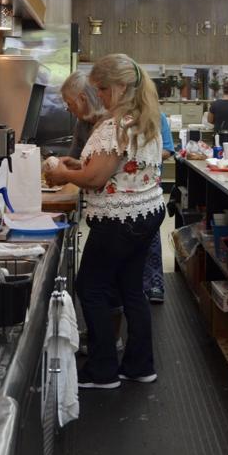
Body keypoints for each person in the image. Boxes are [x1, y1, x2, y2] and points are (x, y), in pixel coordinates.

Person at [44, 53, 165, 389]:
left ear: (121, 87)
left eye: (102, 89)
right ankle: (140, 366)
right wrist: (76, 165)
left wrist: (61, 173)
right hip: (146, 214)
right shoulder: (146, 120)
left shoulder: (115, 125)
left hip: (118, 220)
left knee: (91, 288)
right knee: (131, 290)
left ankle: (102, 371)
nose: (99, 96)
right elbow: (114, 168)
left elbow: (97, 179)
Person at [142, 113, 174, 305]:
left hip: (149, 188)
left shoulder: (156, 116)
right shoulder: (114, 116)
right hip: (119, 193)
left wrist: (139, 154)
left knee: (151, 236)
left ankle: (155, 284)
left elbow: (168, 150)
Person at [62, 71, 109, 158]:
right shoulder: (82, 124)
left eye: (69, 103)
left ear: (83, 99)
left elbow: (97, 170)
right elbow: (73, 157)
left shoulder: (109, 126)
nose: (68, 109)